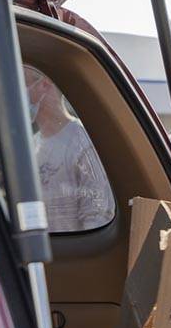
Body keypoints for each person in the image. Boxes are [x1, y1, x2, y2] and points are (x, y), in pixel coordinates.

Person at [25, 67, 116, 232]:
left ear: (44, 85)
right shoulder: (32, 145)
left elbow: (97, 215)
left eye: (23, 84)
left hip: (73, 255)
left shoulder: (83, 142)